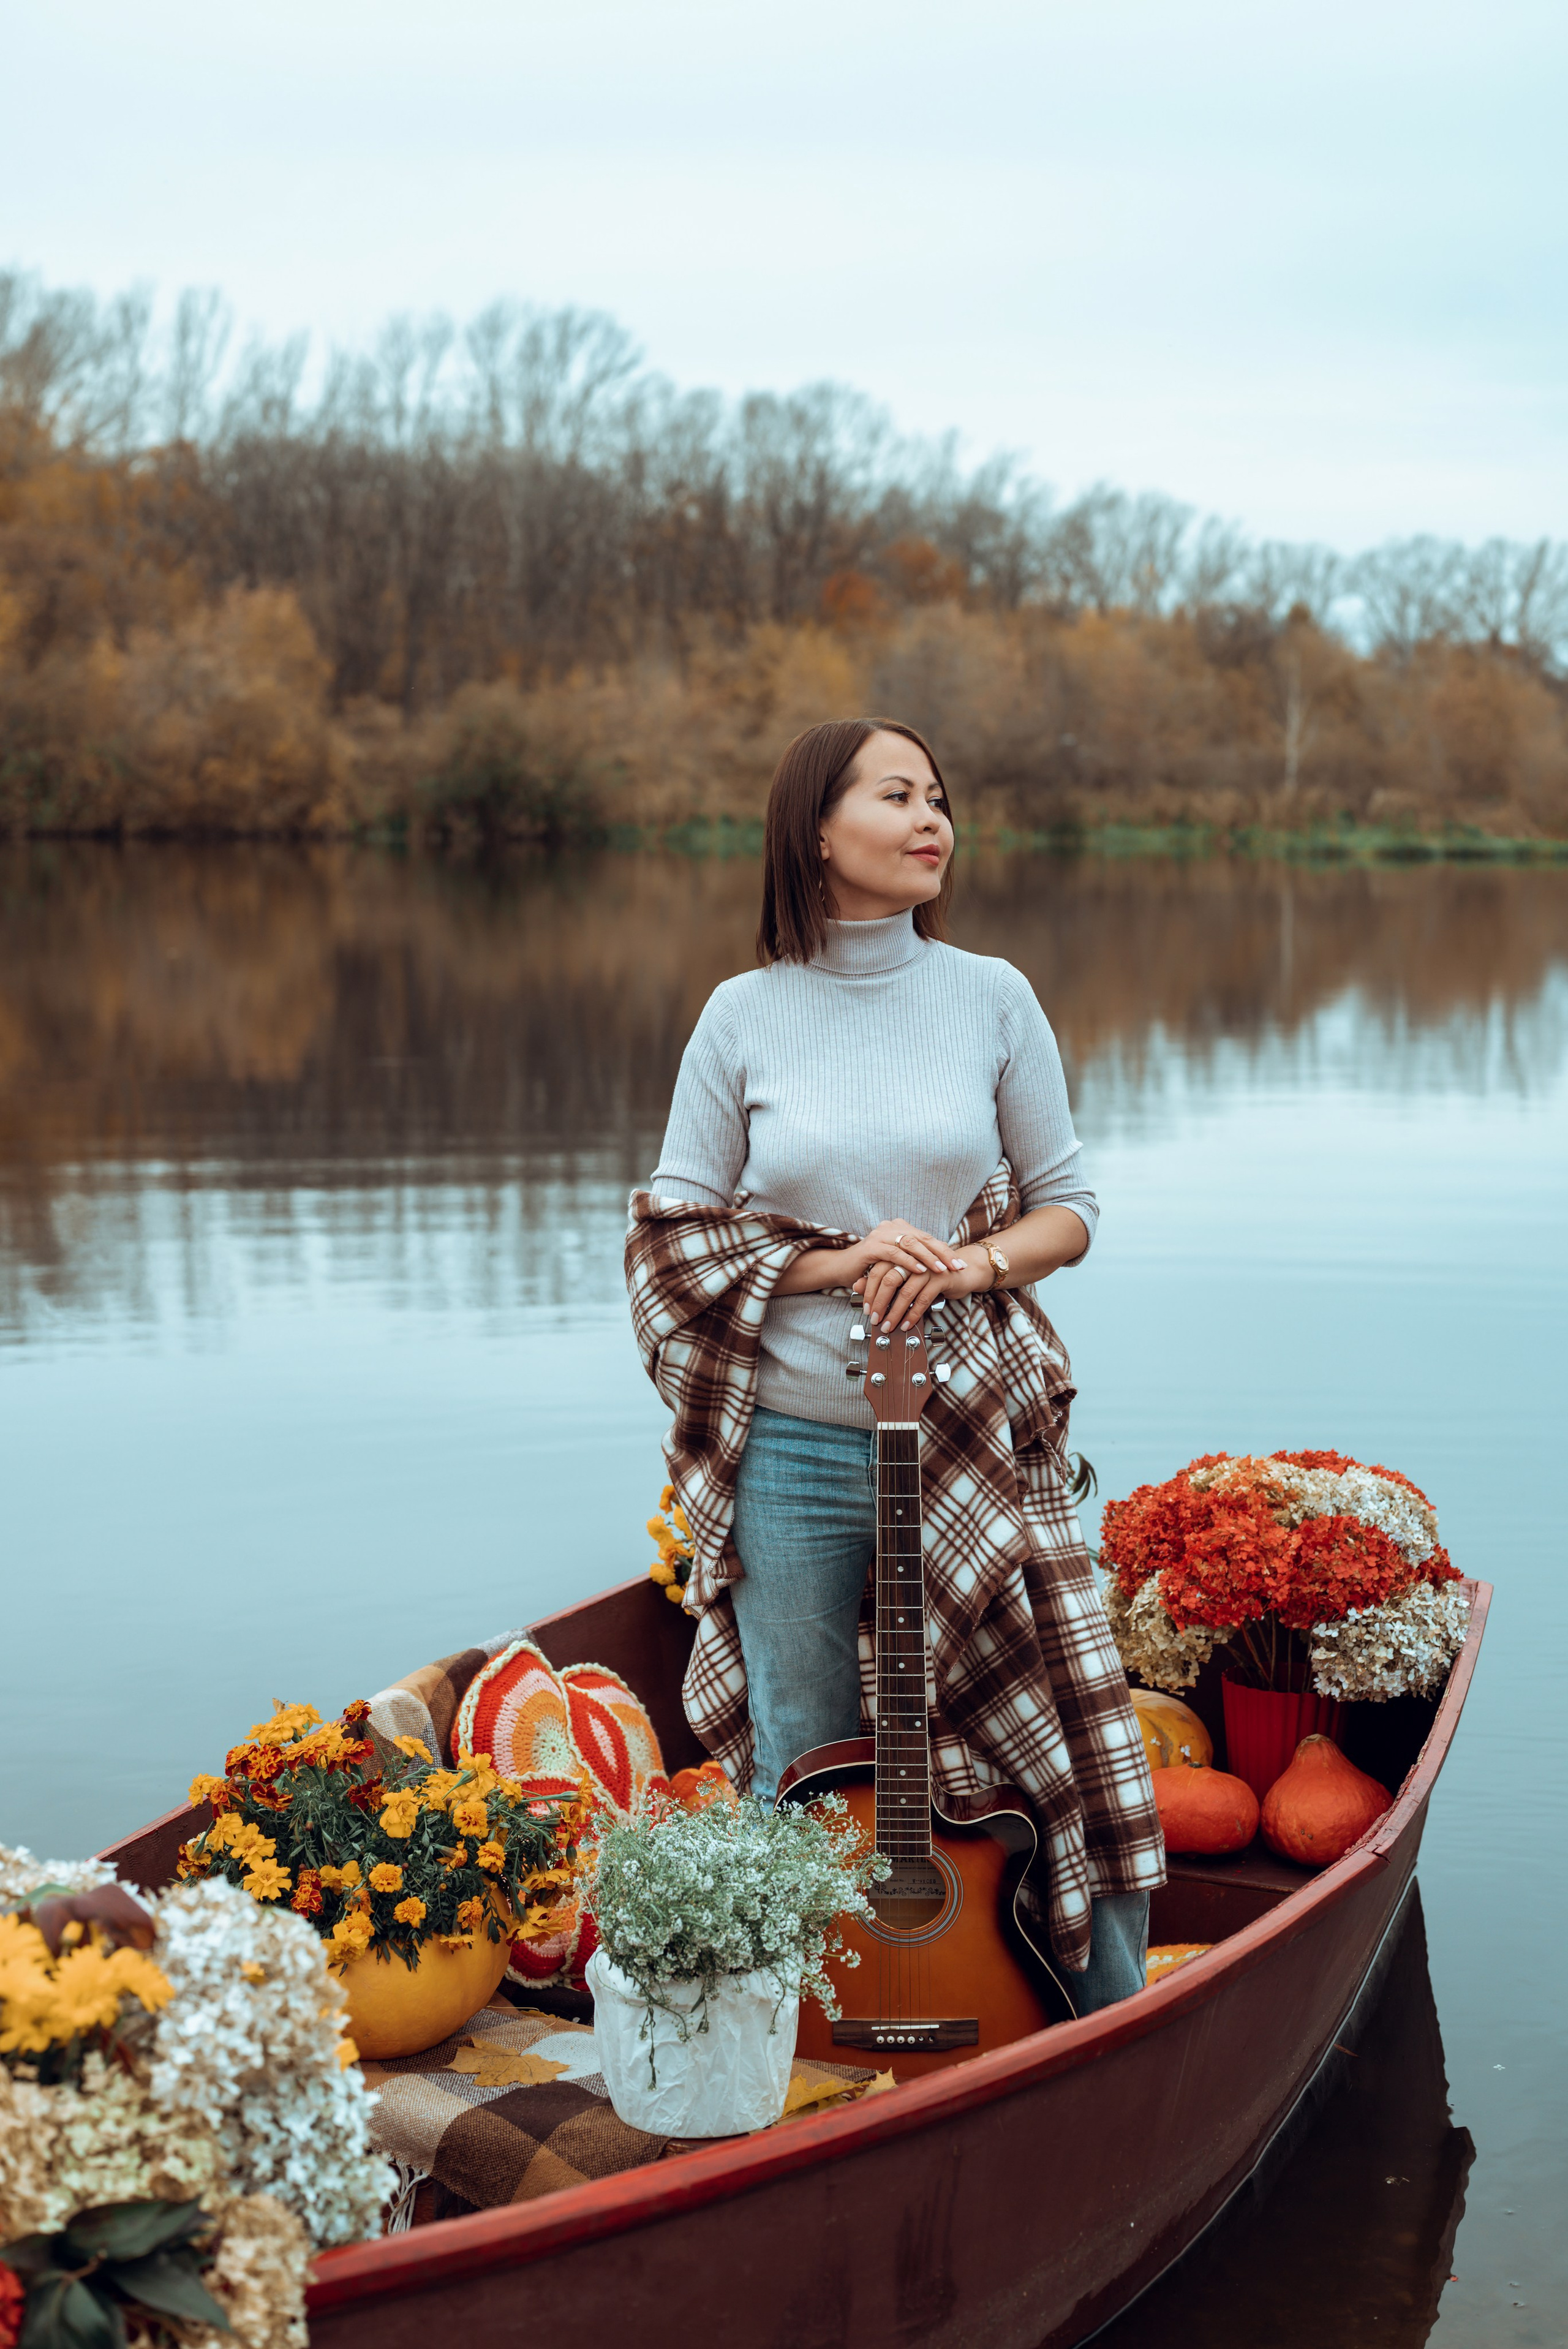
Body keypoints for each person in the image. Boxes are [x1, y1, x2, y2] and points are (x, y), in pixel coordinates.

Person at [625, 718, 1163, 2014]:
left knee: (1044, 1730)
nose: (933, 820)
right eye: (897, 795)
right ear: (816, 826)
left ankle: (1107, 2024)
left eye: (939, 799)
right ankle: (793, 2032)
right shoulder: (740, 1015)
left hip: (967, 1433)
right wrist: (835, 1262)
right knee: (803, 1758)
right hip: (795, 1444)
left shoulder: (989, 994)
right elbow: (672, 1234)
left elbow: (1068, 1206)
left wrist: (967, 1268)